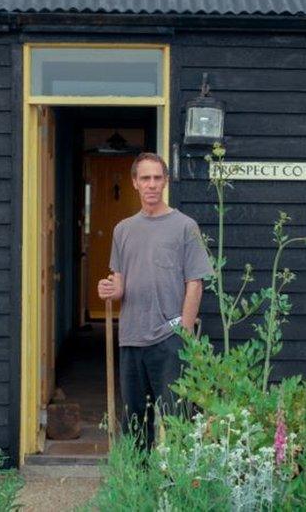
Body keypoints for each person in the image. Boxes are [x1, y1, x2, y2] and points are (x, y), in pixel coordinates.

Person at [97, 152, 213, 450]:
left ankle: (178, 488)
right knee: (136, 421)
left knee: (177, 420)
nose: (151, 184)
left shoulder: (185, 226)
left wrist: (184, 333)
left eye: (156, 178)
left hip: (169, 338)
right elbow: (120, 282)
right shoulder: (123, 229)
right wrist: (110, 289)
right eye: (144, 178)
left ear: (165, 181)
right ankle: (140, 487)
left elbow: (195, 283)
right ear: (134, 183)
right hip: (132, 338)